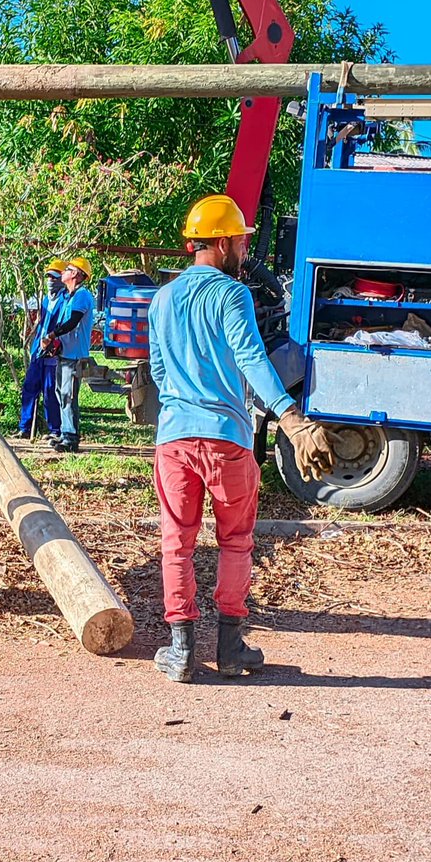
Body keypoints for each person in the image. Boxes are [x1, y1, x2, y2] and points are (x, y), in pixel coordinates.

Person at [147, 195, 336, 683]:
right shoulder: (232, 295)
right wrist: (292, 419)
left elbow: (160, 372)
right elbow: (252, 359)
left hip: (174, 440)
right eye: (243, 239)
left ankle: (181, 650)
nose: (246, 248)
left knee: (177, 545)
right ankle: (230, 647)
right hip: (227, 439)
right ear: (225, 240)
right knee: (235, 542)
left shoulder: (161, 299)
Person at [41, 257, 95, 454]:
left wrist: (52, 335)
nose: (63, 271)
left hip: (75, 355)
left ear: (77, 274)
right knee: (61, 393)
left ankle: (71, 438)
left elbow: (72, 322)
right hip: (65, 353)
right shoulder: (68, 297)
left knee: (68, 395)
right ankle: (65, 433)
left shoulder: (81, 296)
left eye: (68, 269)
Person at [15, 259, 67, 440]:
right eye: (49, 277)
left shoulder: (65, 300)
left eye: (54, 277)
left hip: (53, 352)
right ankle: (25, 428)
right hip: (39, 350)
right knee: (30, 387)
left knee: (50, 390)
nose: (50, 280)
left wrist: (53, 344)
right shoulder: (46, 299)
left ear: (62, 278)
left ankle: (55, 430)